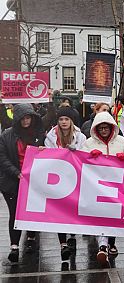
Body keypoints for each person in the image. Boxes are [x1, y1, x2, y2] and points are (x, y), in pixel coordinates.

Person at [80, 111, 124, 267]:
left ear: (111, 128)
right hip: (97, 186)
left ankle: (110, 243)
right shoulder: (89, 143)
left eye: (106, 128)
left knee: (113, 216)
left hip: (116, 185)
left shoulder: (122, 142)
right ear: (96, 128)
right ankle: (102, 245)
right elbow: (80, 160)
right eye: (100, 128)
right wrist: (90, 156)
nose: (103, 131)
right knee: (100, 215)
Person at [0, 104, 46, 262]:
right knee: (15, 212)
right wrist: (16, 173)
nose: (26, 121)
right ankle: (14, 246)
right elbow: (2, 158)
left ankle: (31, 238)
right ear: (17, 119)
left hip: (33, 180)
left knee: (32, 210)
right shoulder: (7, 135)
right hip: (12, 181)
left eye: (29, 117)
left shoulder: (39, 134)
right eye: (23, 118)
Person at [44, 106, 86, 262]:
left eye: (66, 119)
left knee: (72, 209)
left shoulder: (80, 137)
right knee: (59, 212)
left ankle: (72, 235)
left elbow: (85, 153)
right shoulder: (50, 136)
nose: (63, 122)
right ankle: (62, 244)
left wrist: (75, 152)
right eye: (61, 119)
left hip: (75, 178)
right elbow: (49, 155)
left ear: (71, 121)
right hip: (58, 179)